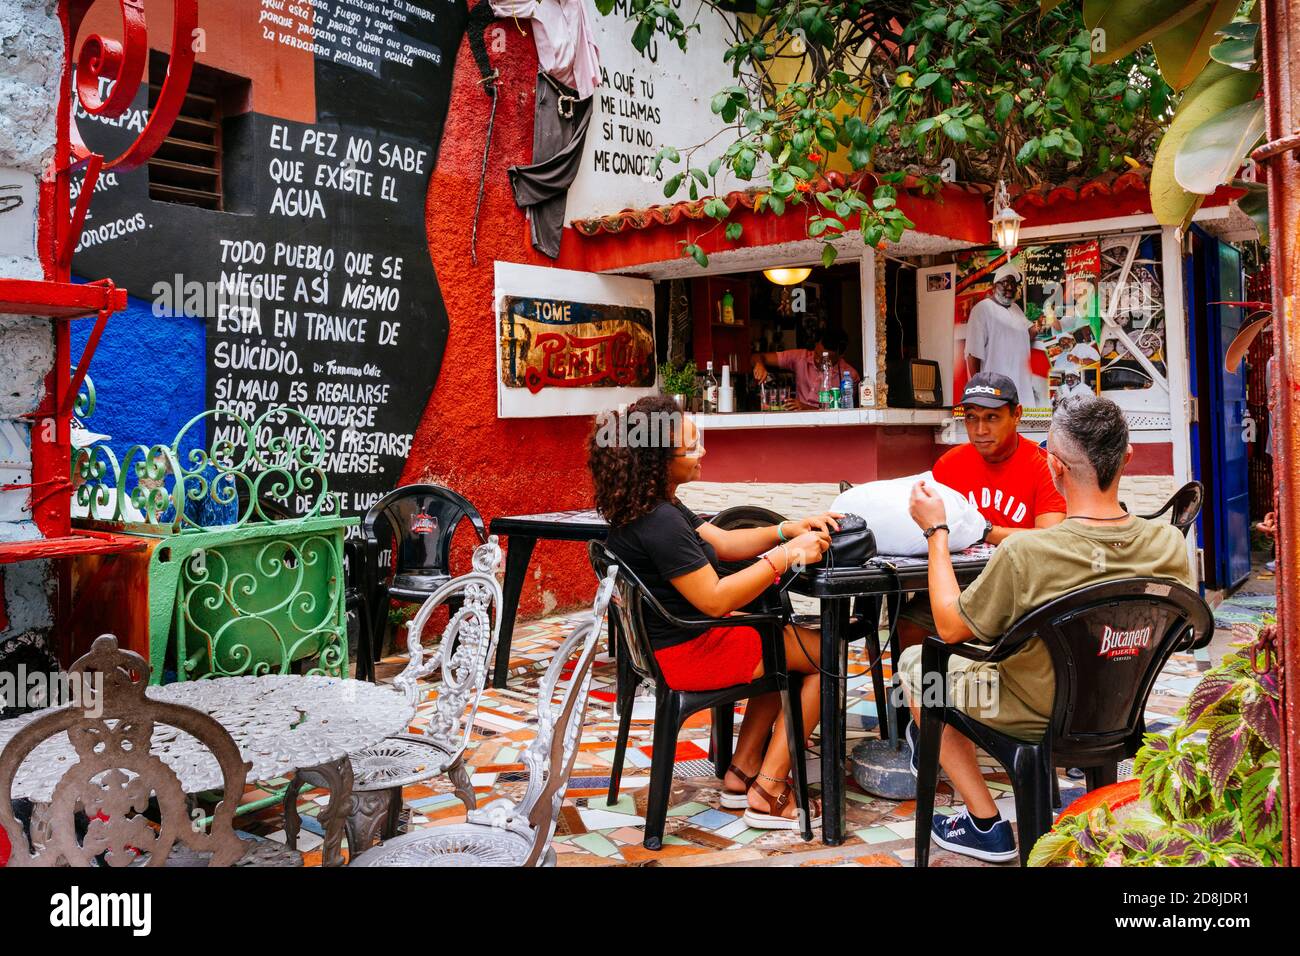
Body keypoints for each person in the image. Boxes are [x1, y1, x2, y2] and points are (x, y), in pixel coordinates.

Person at [897, 394, 1194, 862]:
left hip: (1029, 710)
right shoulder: (1169, 545)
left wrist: (937, 532)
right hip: (1118, 703)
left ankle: (983, 822)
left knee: (918, 665)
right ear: (1128, 457)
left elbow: (952, 627)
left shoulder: (1028, 554)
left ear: (1053, 466)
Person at [588, 395, 836, 829]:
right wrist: (786, 555)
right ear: (660, 460)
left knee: (782, 638)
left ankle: (741, 771)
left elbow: (723, 542)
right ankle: (770, 788)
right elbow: (717, 598)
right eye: (691, 446)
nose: (703, 451)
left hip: (673, 642)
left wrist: (785, 530)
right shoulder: (659, 520)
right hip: (687, 653)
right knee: (823, 657)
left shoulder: (651, 503)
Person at [897, 372, 1065, 646]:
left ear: (1017, 414)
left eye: (992, 417)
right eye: (972, 417)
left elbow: (1050, 540)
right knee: (907, 625)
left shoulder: (1044, 465)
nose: (980, 430)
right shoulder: (949, 466)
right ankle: (930, 689)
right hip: (960, 587)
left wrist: (984, 531)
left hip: (1020, 593)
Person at [965, 265, 1042, 407]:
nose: (1010, 287)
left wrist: (1043, 322)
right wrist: (978, 390)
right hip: (996, 390)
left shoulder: (1016, 308)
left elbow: (1029, 331)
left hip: (1022, 386)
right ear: (994, 286)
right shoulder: (982, 309)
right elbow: (973, 353)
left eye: (1013, 284)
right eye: (1005, 282)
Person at [750, 325, 859, 409]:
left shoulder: (849, 376)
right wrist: (759, 364)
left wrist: (805, 408)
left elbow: (844, 414)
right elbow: (757, 357)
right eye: (816, 353)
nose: (817, 360)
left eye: (825, 358)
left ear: (840, 355)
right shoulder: (801, 357)